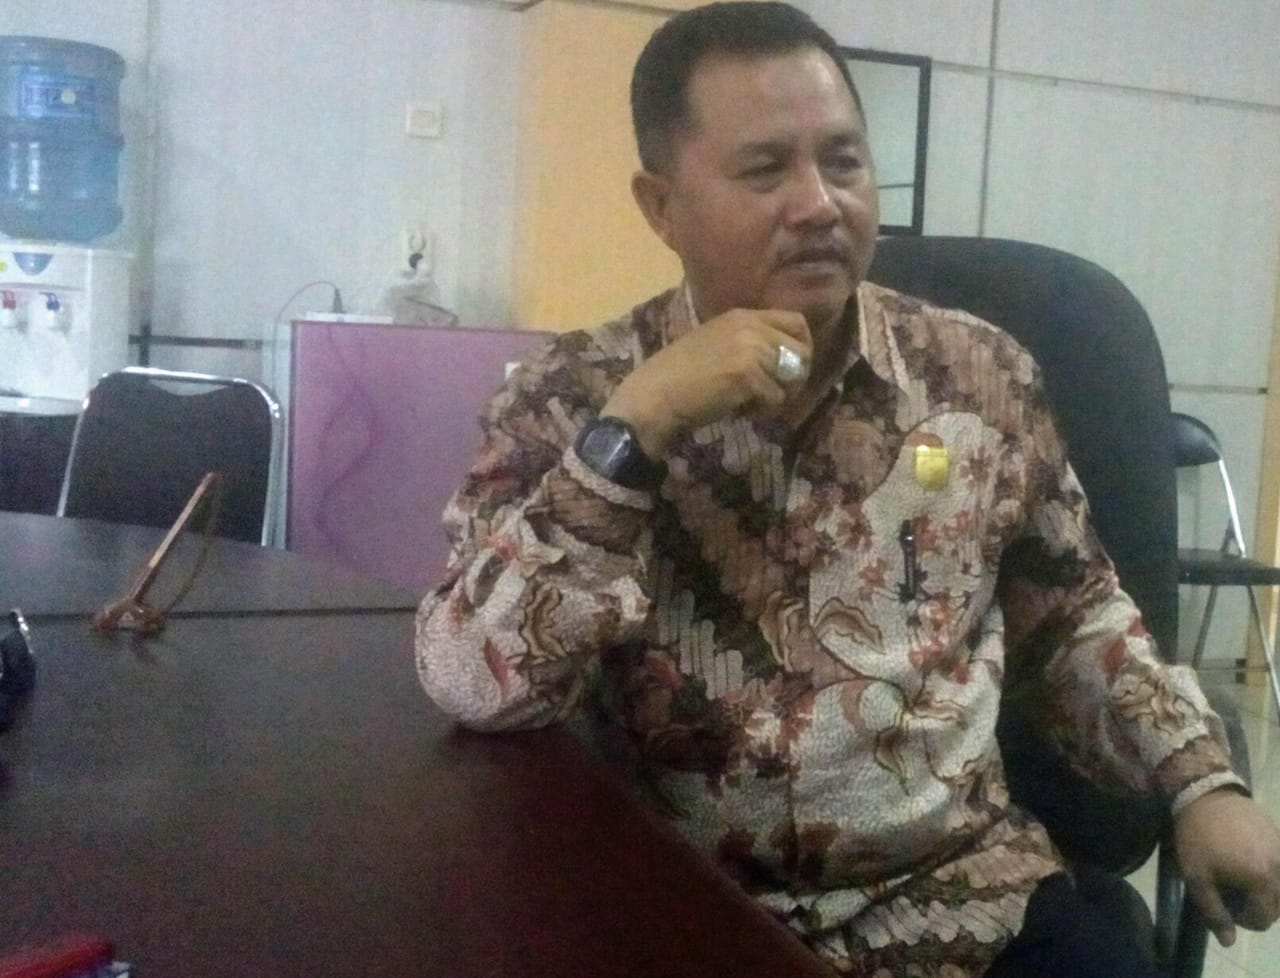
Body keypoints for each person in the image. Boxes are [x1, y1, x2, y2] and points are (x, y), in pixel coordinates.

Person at [416, 3, 1280, 975]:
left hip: (963, 900)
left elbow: (1073, 616)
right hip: (684, 908)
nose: (819, 203)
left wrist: (1199, 780)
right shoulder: (573, 394)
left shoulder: (977, 375)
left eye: (843, 161)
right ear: (661, 207)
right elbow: (470, 681)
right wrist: (636, 430)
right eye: (765, 170)